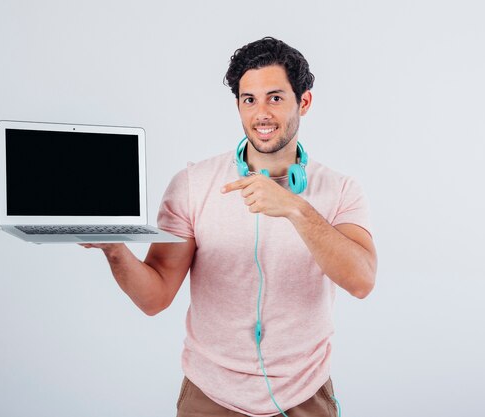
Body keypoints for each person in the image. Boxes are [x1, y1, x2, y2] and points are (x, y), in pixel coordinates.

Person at [82, 37, 377, 417]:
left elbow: (362, 281)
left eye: (275, 97)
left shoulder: (341, 190)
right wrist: (114, 250)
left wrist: (294, 209)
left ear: (304, 101)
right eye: (249, 100)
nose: (261, 113)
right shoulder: (192, 184)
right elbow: (155, 298)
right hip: (210, 397)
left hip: (304, 395)